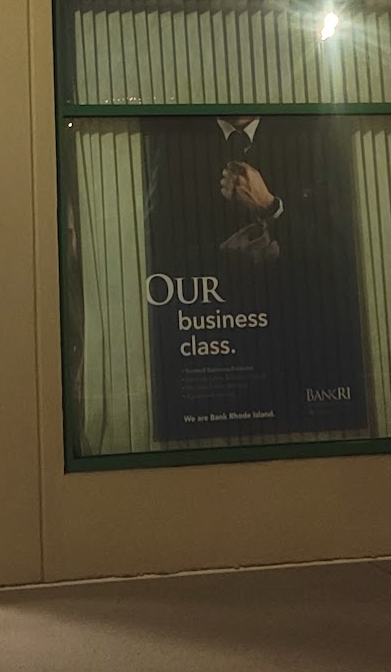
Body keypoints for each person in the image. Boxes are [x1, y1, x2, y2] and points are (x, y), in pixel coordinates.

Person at [139, 113, 367, 442]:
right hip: (212, 336)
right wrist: (221, 258)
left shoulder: (309, 136)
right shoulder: (175, 140)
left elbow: (341, 255)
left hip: (297, 337)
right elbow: (151, 250)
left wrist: (271, 208)